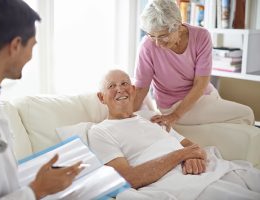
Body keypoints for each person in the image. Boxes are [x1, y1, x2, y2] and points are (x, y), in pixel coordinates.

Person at [0, 0, 83, 199]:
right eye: (32, 46)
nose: (31, 56)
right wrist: (37, 190)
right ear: (16, 45)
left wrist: (36, 183)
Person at [88, 69, 260, 199]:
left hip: (207, 168)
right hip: (179, 183)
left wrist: (194, 157)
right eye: (111, 86)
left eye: (124, 83)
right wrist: (183, 154)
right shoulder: (100, 131)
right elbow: (126, 178)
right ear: (101, 97)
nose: (120, 89)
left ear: (133, 90)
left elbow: (190, 146)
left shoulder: (150, 117)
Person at [133, 0, 254, 131]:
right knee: (247, 114)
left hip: (205, 95)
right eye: (152, 36)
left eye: (163, 36)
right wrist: (124, 119)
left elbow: (201, 84)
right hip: (173, 105)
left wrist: (175, 116)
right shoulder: (147, 46)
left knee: (237, 122)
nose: (157, 43)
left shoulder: (201, 36)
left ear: (178, 26)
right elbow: (141, 89)